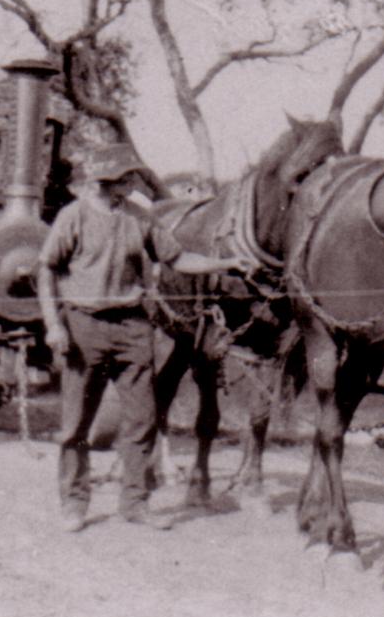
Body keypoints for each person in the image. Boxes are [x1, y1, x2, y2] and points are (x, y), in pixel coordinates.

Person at [38, 142, 251, 533]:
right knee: (76, 424)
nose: (135, 181)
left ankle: (135, 502)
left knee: (143, 418)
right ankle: (74, 502)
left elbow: (178, 259)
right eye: (129, 176)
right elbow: (47, 269)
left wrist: (225, 263)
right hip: (84, 325)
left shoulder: (140, 218)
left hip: (133, 327)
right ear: (111, 181)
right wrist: (54, 324)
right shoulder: (74, 217)